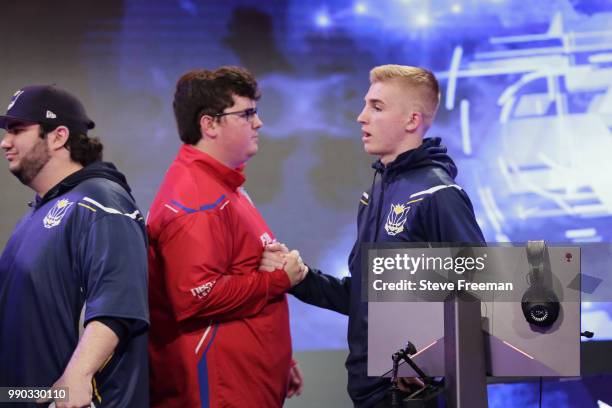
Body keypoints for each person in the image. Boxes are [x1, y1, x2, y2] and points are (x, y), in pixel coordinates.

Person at [261, 65, 486, 407]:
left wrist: (428, 360)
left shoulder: (439, 194)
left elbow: (482, 296)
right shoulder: (377, 191)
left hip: (415, 398)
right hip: (370, 394)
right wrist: (299, 278)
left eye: (377, 107)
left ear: (412, 121)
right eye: (366, 105)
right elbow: (365, 299)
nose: (361, 117)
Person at [147, 66, 307, 408]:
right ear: (210, 124)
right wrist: (277, 279)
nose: (258, 123)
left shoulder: (224, 188)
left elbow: (237, 272)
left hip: (240, 382)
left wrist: (282, 360)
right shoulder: (198, 200)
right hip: (218, 389)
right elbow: (196, 296)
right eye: (247, 114)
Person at [0, 85, 149, 407]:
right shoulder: (39, 211)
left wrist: (77, 376)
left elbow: (119, 303)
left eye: (17, 130)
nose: (5, 142)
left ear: (58, 136)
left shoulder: (102, 203)